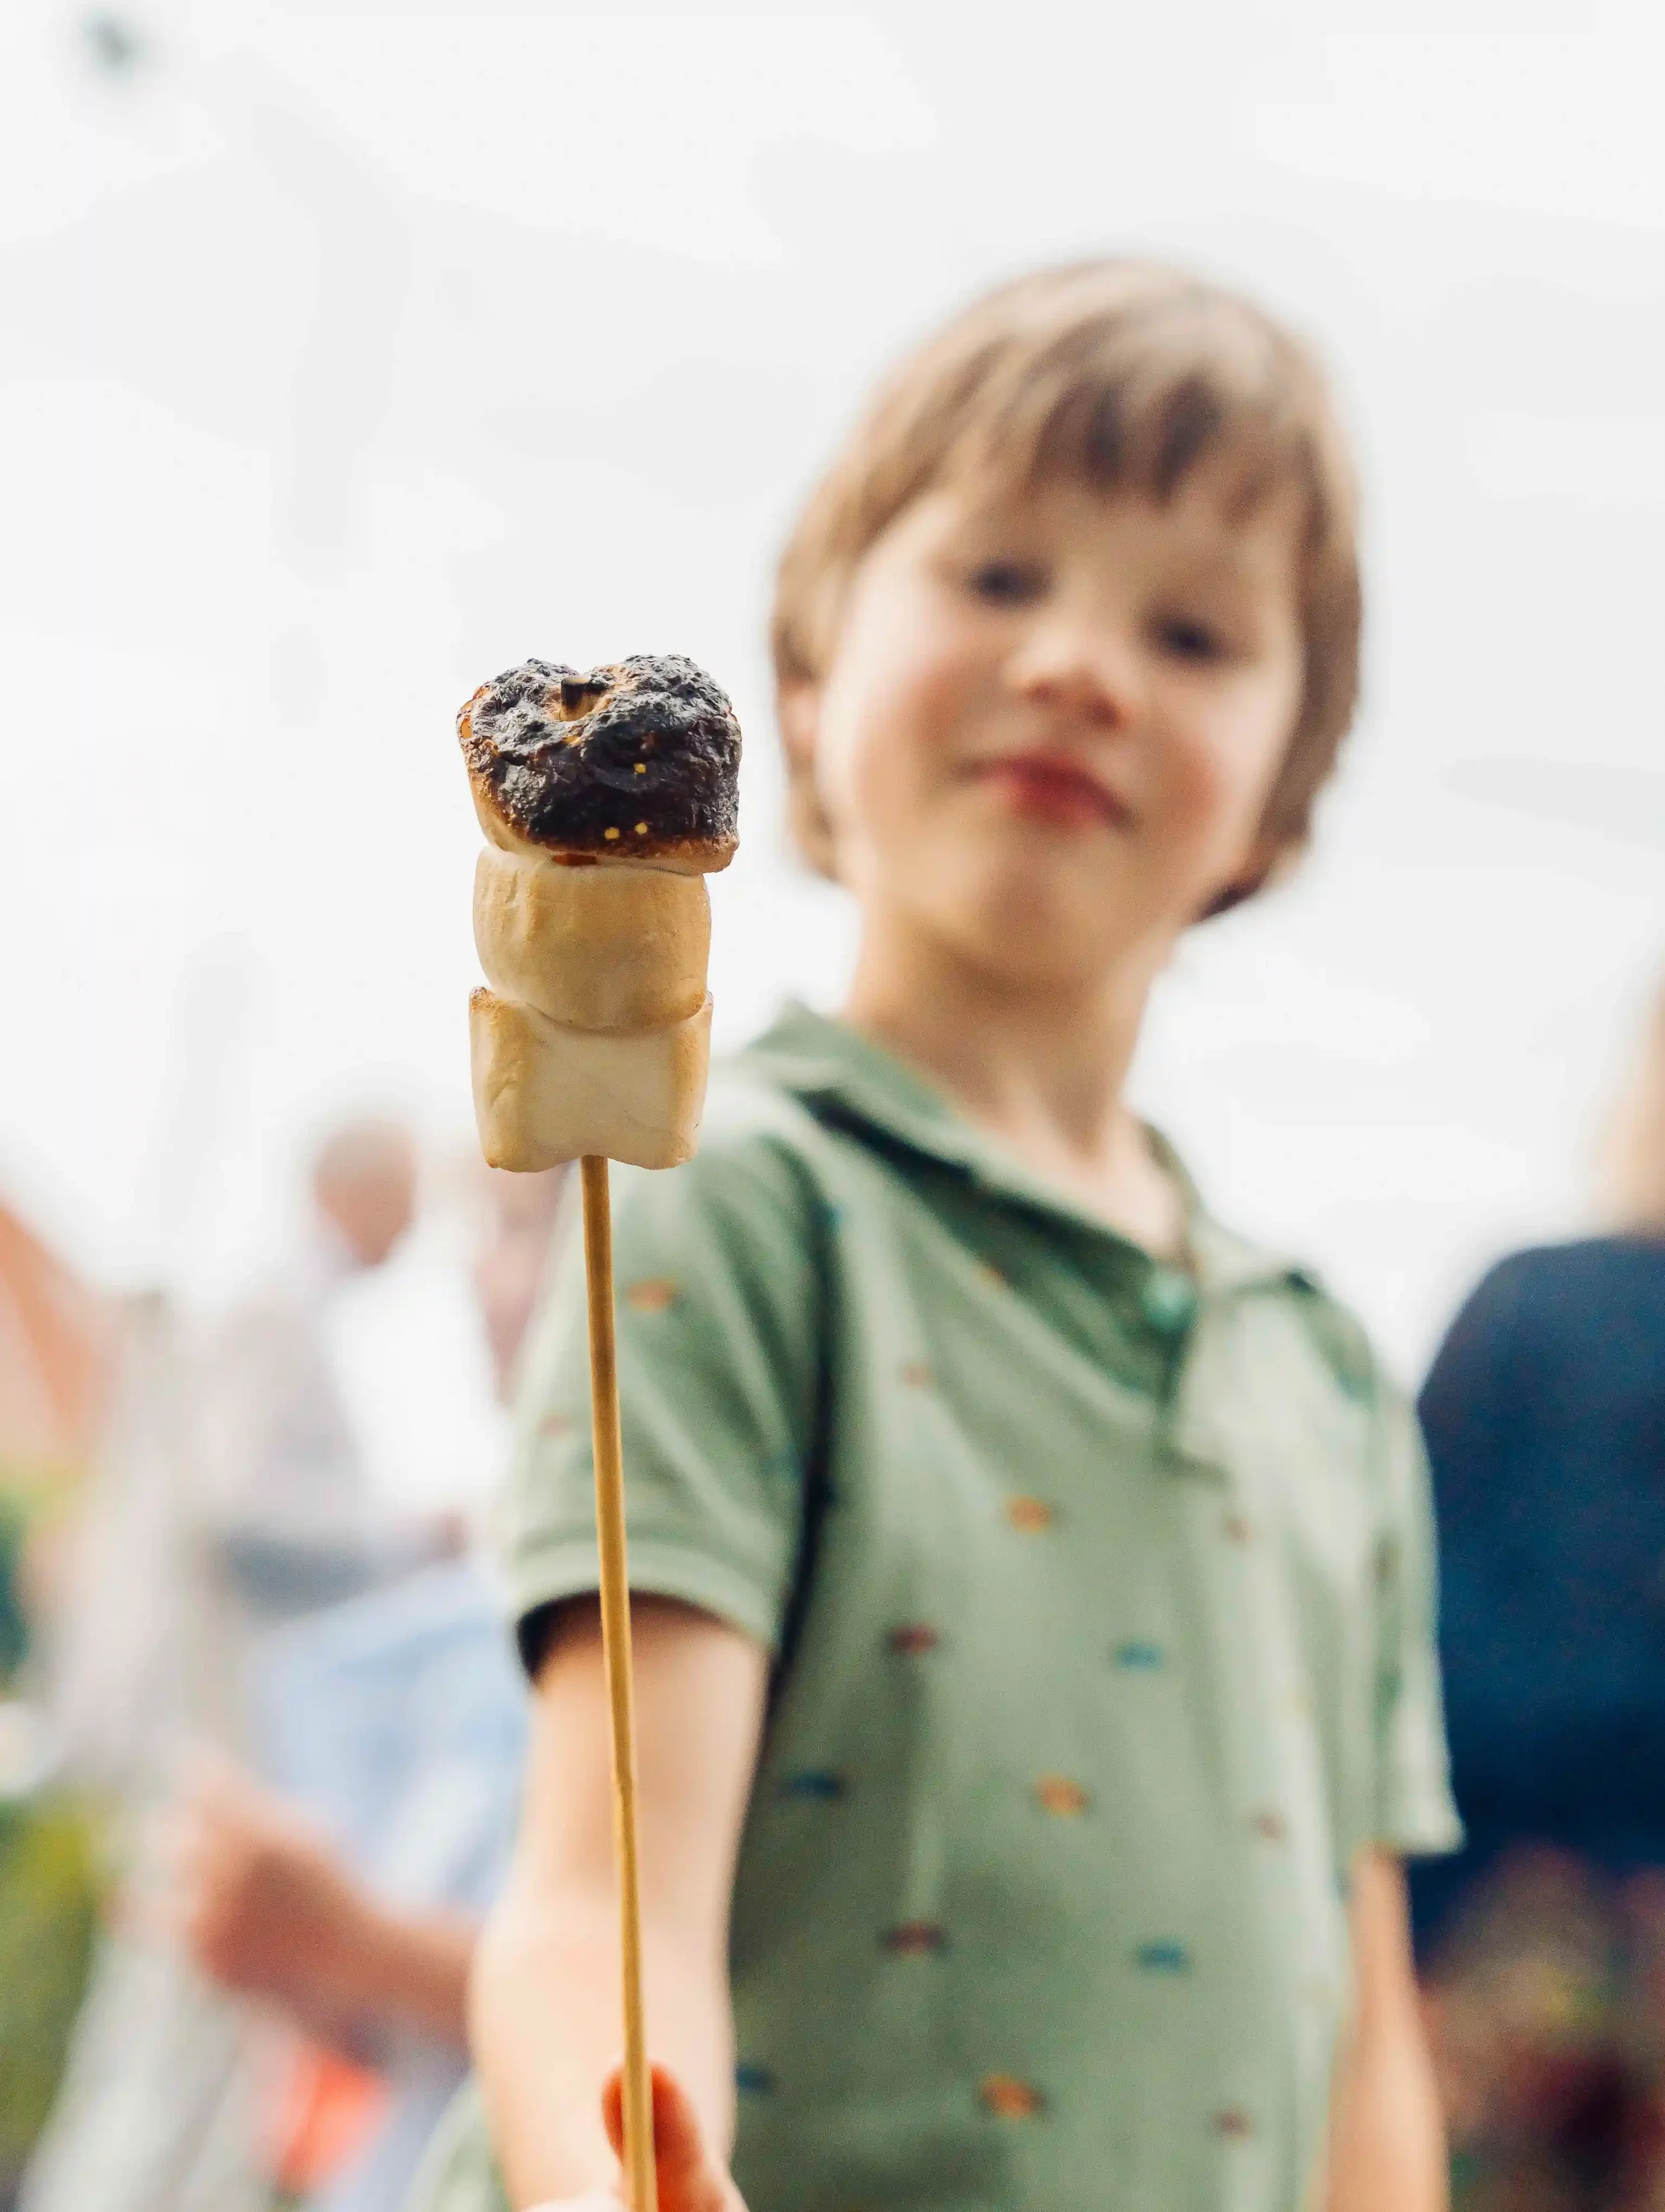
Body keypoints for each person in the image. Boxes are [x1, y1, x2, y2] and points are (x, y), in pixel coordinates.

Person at [416, 260, 1461, 2212]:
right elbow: (594, 1902)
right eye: (995, 576)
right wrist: (602, 2175)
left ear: (1281, 798)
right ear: (806, 687)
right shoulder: (737, 1204)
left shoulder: (1324, 1377)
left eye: (1191, 631)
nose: (1078, 664)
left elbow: (1364, 2045)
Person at [1412, 976, 1665, 2210]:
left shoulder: (1535, 1300)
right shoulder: (1542, 1302)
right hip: (1530, 1908)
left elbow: (1416, 1639)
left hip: (1516, 1911)